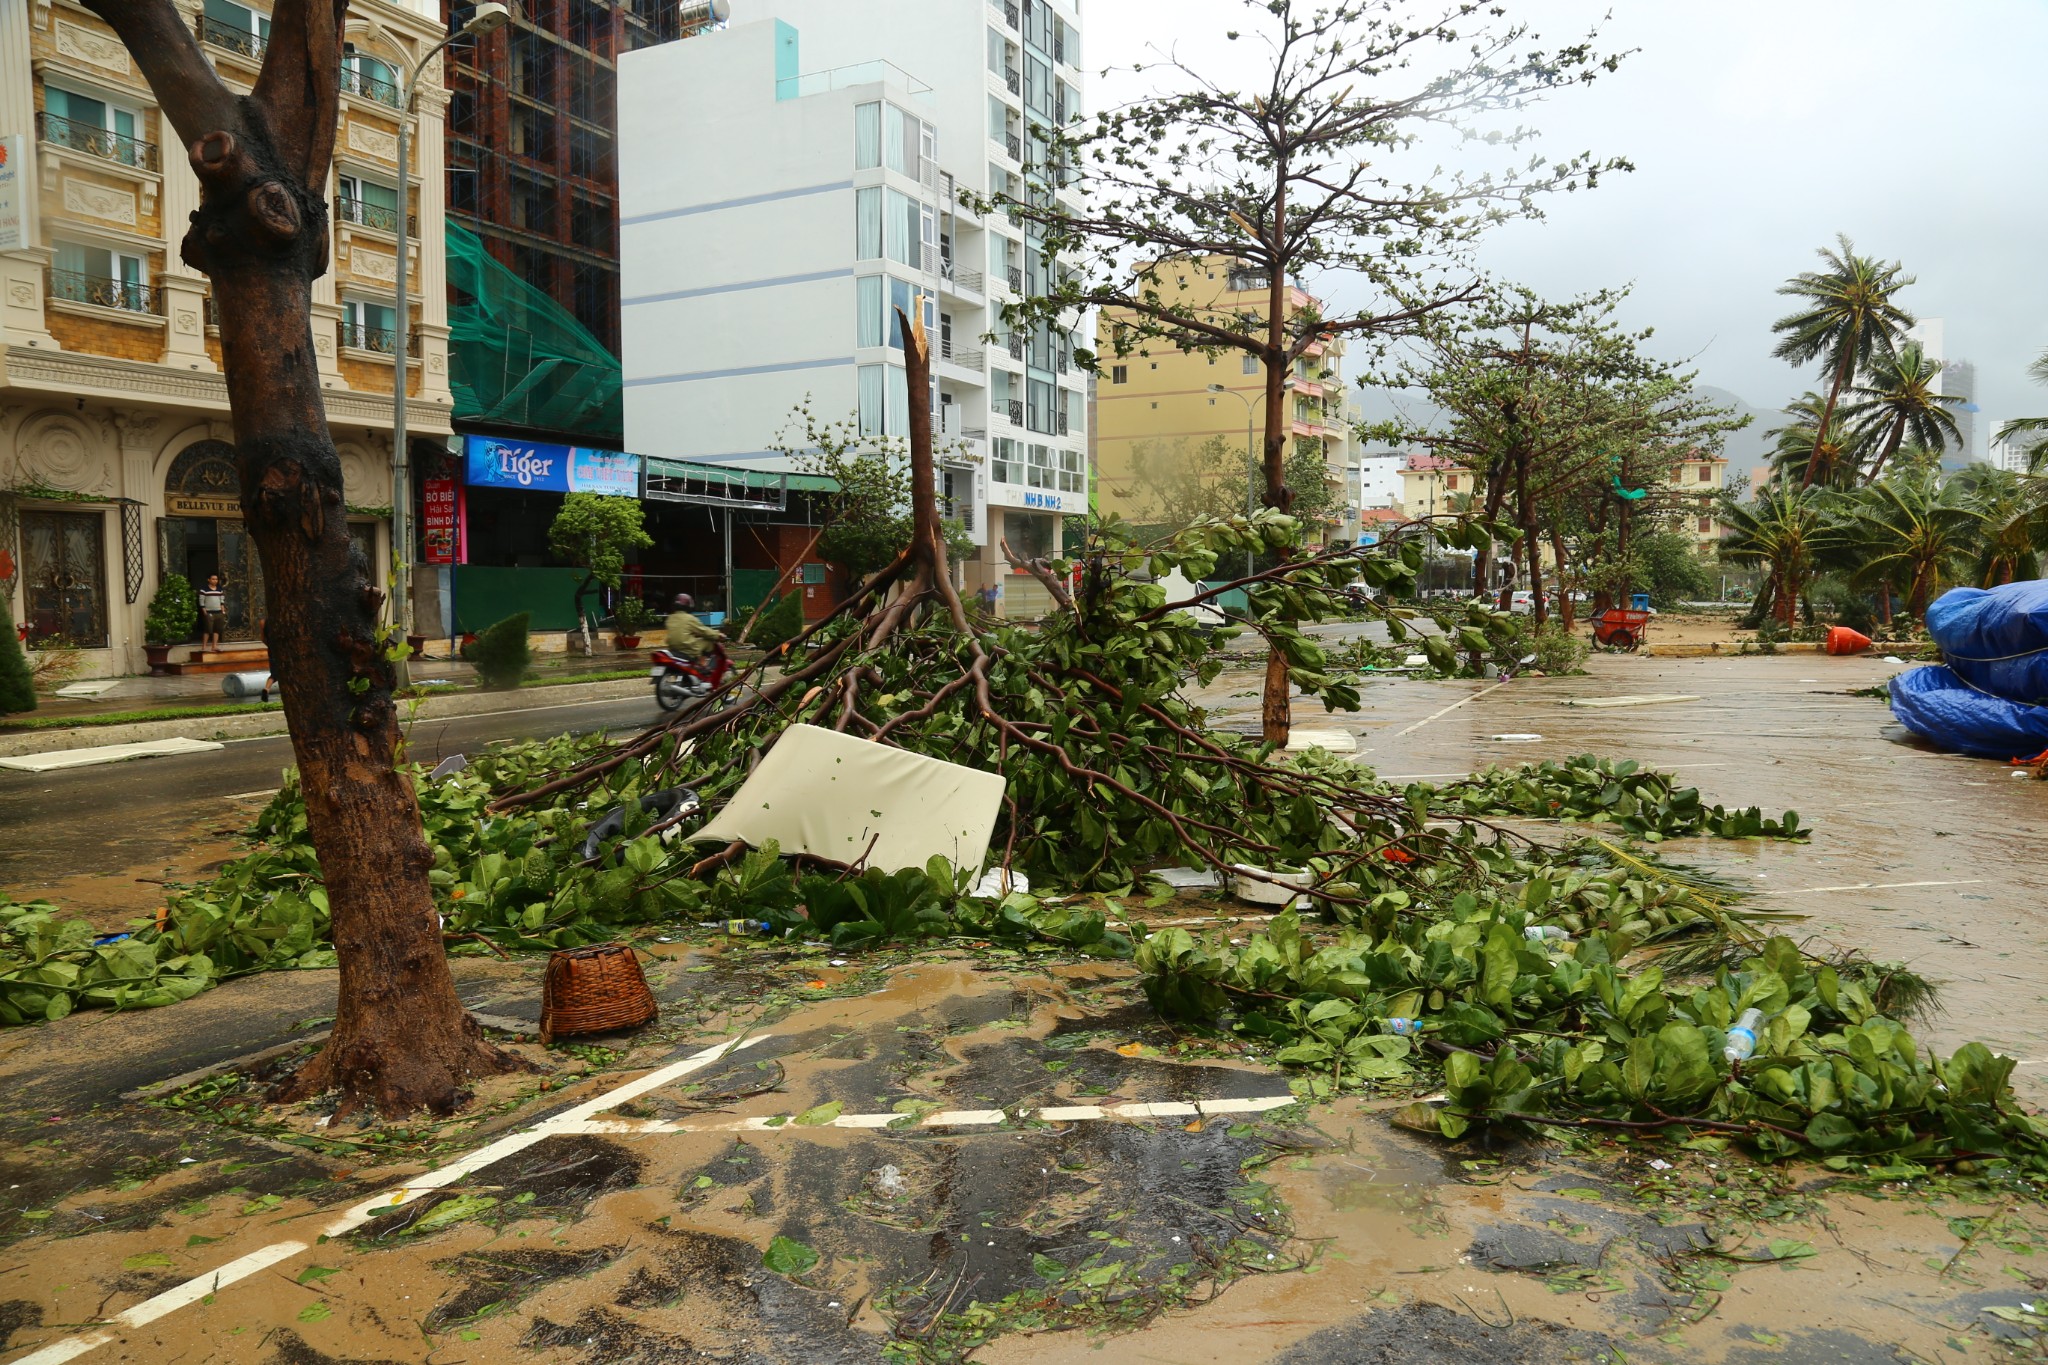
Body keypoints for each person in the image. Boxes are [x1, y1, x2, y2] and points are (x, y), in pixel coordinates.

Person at [663, 593, 722, 692]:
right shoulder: (690, 618)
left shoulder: (670, 618)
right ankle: (703, 666)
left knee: (698, 642)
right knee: (708, 642)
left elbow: (680, 631)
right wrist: (718, 634)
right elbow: (704, 631)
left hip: (673, 649)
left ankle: (699, 665)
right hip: (687, 649)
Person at [198, 573, 227, 652]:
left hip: (218, 612)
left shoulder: (219, 589)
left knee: (216, 630)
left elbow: (222, 601)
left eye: (216, 579)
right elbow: (201, 602)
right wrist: (205, 612)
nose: (215, 581)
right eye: (213, 579)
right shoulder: (204, 589)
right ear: (209, 580)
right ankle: (204, 647)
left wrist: (223, 611)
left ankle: (214, 646)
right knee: (207, 630)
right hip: (209, 612)